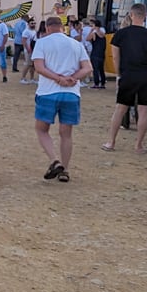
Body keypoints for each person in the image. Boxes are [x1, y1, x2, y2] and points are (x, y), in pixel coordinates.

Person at [31, 17, 92, 182]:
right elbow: (87, 68)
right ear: (62, 27)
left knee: (42, 129)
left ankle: (53, 159)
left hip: (48, 92)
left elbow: (39, 67)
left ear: (48, 28)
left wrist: (58, 78)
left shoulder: (42, 43)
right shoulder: (75, 44)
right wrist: (72, 78)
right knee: (66, 134)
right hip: (71, 93)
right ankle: (65, 169)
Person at [103, 5, 147, 153]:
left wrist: (119, 74)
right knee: (143, 111)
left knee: (120, 109)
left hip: (128, 73)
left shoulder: (120, 34)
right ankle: (138, 145)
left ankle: (111, 142)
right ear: (145, 16)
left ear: (131, 15)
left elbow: (116, 57)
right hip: (146, 74)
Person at [85, 18, 108, 89]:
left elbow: (87, 39)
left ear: (95, 25)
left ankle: (96, 83)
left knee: (95, 69)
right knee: (101, 69)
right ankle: (103, 83)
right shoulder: (103, 34)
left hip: (95, 53)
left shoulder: (94, 34)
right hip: (102, 53)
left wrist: (91, 31)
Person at [18, 17, 39, 84]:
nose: (33, 24)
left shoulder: (34, 31)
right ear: (28, 24)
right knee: (27, 64)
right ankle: (22, 78)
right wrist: (28, 49)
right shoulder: (26, 31)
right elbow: (24, 41)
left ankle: (32, 78)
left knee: (32, 65)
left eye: (34, 23)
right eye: (31, 23)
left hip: (33, 50)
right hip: (28, 50)